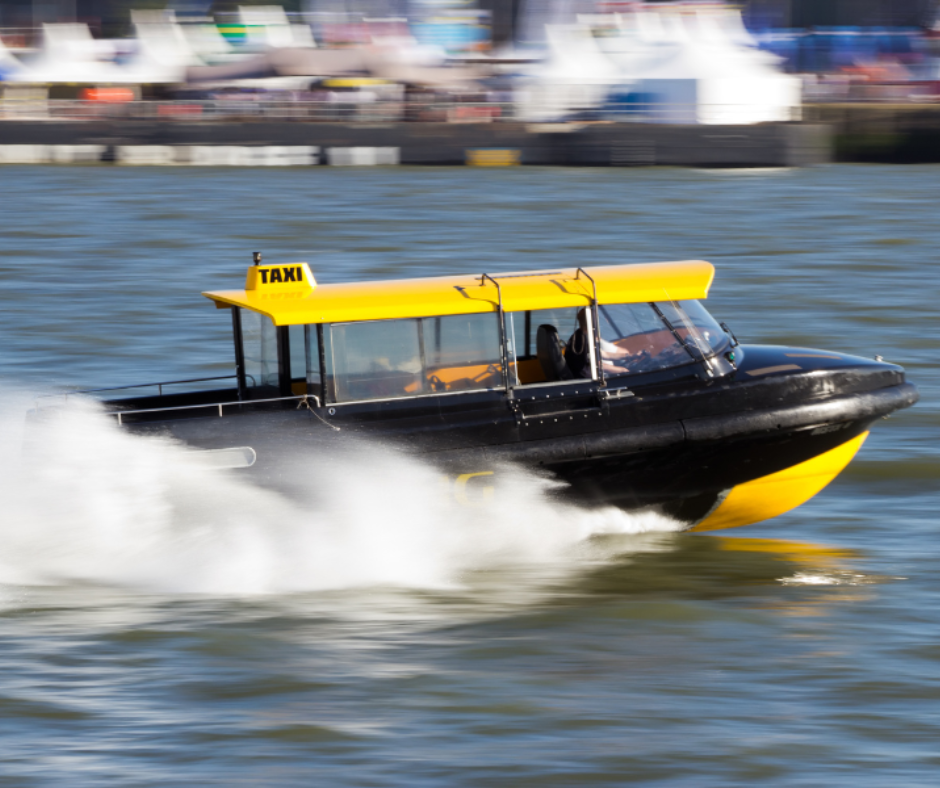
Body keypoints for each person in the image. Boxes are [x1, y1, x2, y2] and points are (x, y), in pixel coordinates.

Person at [565, 308, 635, 379]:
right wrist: (622, 370)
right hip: (587, 380)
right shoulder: (581, 340)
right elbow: (597, 364)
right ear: (592, 321)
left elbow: (604, 354)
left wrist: (629, 356)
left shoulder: (582, 334)